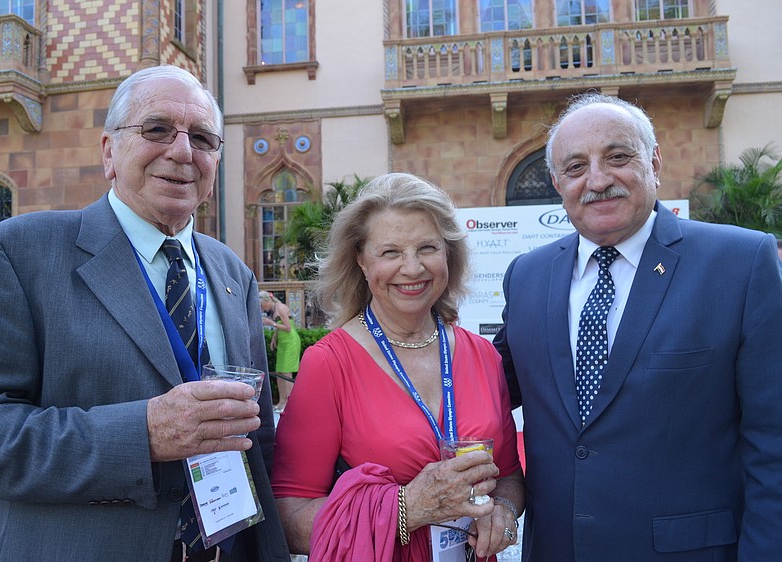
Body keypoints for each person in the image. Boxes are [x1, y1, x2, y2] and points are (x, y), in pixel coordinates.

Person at [0, 65, 290, 562]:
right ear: (108, 152)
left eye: (203, 139)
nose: (183, 151)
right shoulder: (18, 254)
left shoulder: (234, 274)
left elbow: (259, 440)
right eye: (157, 129)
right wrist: (140, 434)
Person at [494, 92, 782, 561]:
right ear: (556, 182)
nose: (598, 180)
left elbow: (773, 442)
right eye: (575, 167)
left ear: (654, 162)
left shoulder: (741, 263)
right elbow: (485, 391)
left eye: (618, 157)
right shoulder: (527, 275)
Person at [272, 173, 524, 561]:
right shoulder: (329, 363)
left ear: (448, 255)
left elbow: (508, 476)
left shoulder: (483, 355)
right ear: (360, 259)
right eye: (390, 252)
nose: (412, 268)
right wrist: (409, 507)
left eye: (427, 248)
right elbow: (289, 518)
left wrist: (503, 513)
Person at [259, 291, 300, 412]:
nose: (262, 308)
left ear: (267, 301)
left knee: (287, 373)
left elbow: (288, 327)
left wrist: (270, 323)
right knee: (279, 372)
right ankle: (281, 402)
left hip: (290, 341)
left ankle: (290, 403)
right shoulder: (274, 308)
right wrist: (274, 338)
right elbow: (279, 326)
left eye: (262, 306)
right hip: (283, 342)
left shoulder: (280, 308)